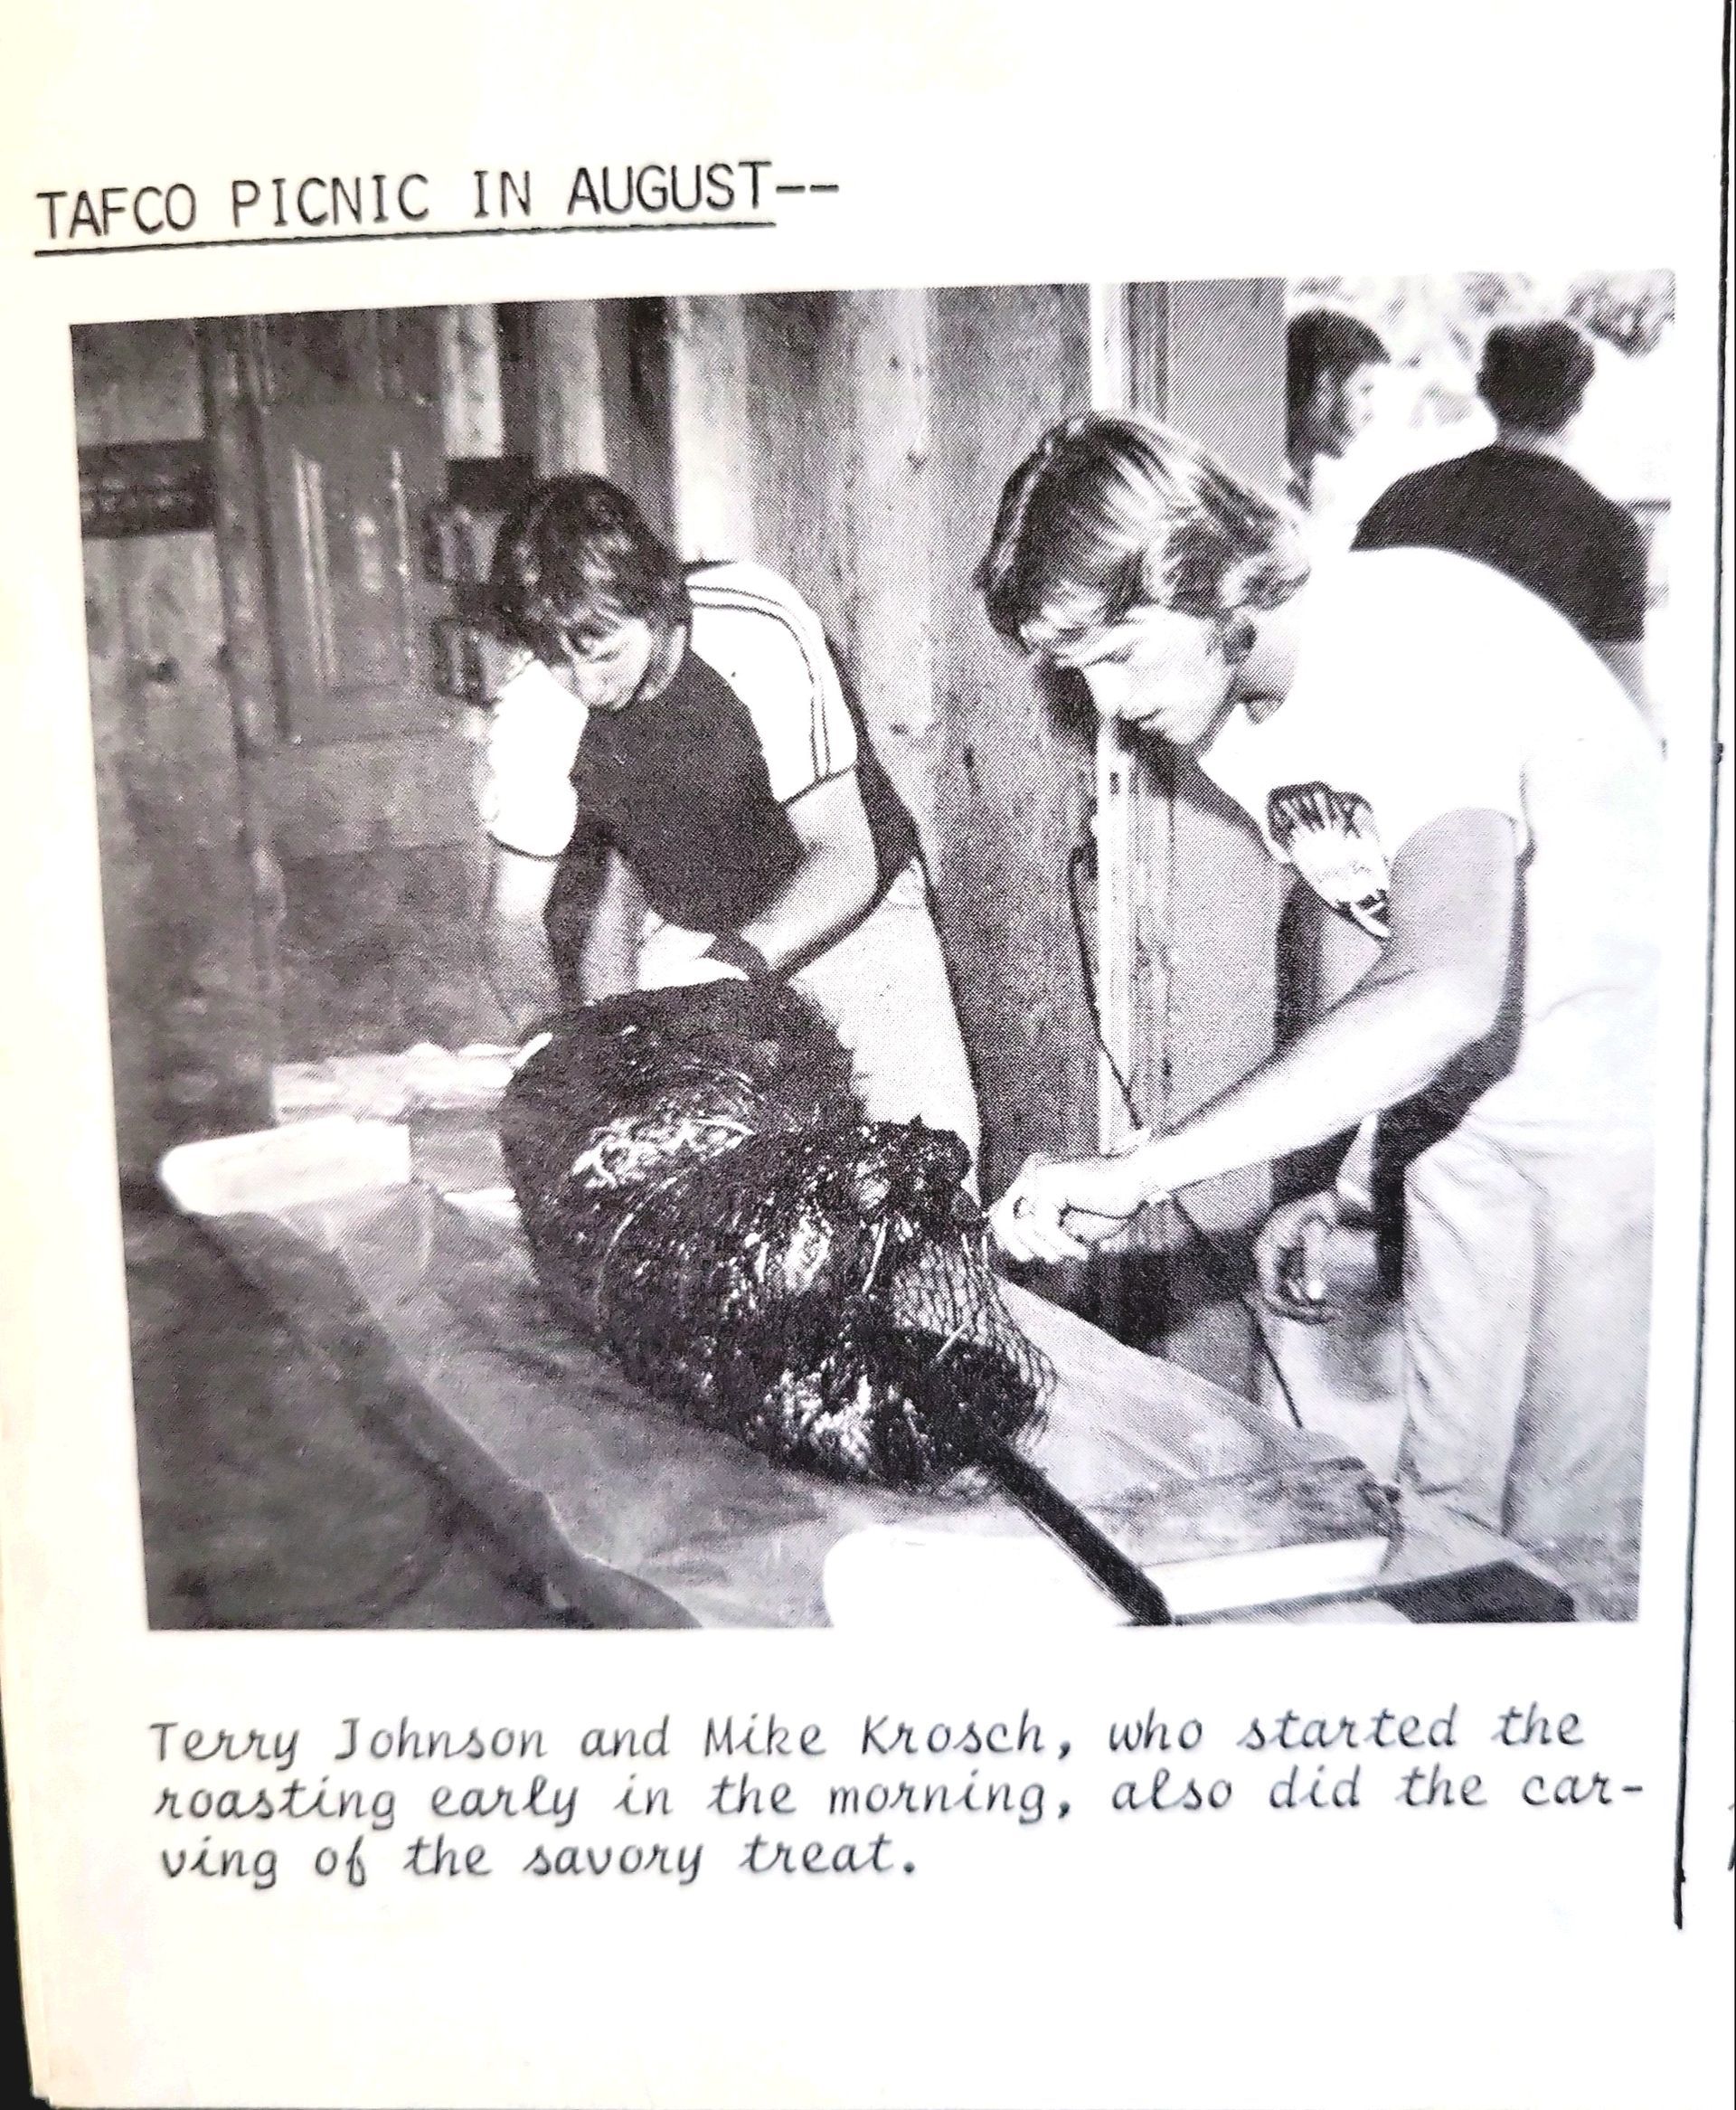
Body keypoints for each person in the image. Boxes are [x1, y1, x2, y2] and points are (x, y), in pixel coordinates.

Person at [976, 414, 1660, 1611]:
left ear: (1204, 580)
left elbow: (1444, 986)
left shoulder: (1411, 643)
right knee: (1438, 1506)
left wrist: (1144, 1168)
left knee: (1574, 1542)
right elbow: (1371, 916)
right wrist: (1322, 1175)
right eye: (1073, 670)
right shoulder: (1228, 700)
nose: (1104, 704)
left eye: (1119, 653)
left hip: (1629, 1095)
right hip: (1469, 1104)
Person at [479, 474, 980, 1163]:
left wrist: (740, 963)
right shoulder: (538, 702)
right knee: (679, 1174)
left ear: (655, 601)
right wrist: (547, 1038)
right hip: (694, 928)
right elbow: (512, 918)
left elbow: (843, 853)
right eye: (561, 664)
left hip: (851, 914)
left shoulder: (754, 623)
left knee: (930, 1161)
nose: (588, 687)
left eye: (604, 655)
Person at [1355, 319, 1651, 723]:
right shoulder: (1610, 529)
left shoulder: (1404, 500)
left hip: (1407, 745)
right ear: (1578, 400)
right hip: (1538, 764)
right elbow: (1627, 700)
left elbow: (1348, 642)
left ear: (1483, 389)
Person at [1286, 308, 1390, 509]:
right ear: (1322, 388)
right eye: (1364, 391)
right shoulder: (1269, 484)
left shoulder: (1305, 487)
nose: (1370, 414)